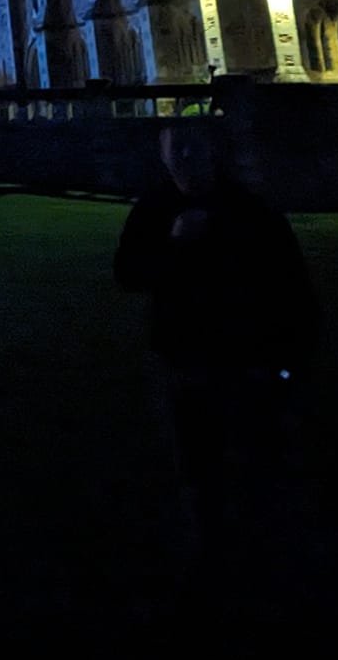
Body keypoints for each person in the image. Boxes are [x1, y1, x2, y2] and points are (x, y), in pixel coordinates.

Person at [115, 123, 319, 592]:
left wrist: (291, 361)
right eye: (175, 149)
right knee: (197, 470)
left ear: (211, 152)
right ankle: (209, 564)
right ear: (163, 157)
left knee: (259, 464)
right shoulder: (155, 208)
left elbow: (292, 286)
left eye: (193, 147)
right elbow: (128, 273)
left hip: (250, 361)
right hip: (184, 363)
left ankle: (272, 566)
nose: (185, 156)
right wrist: (174, 244)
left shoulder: (251, 211)